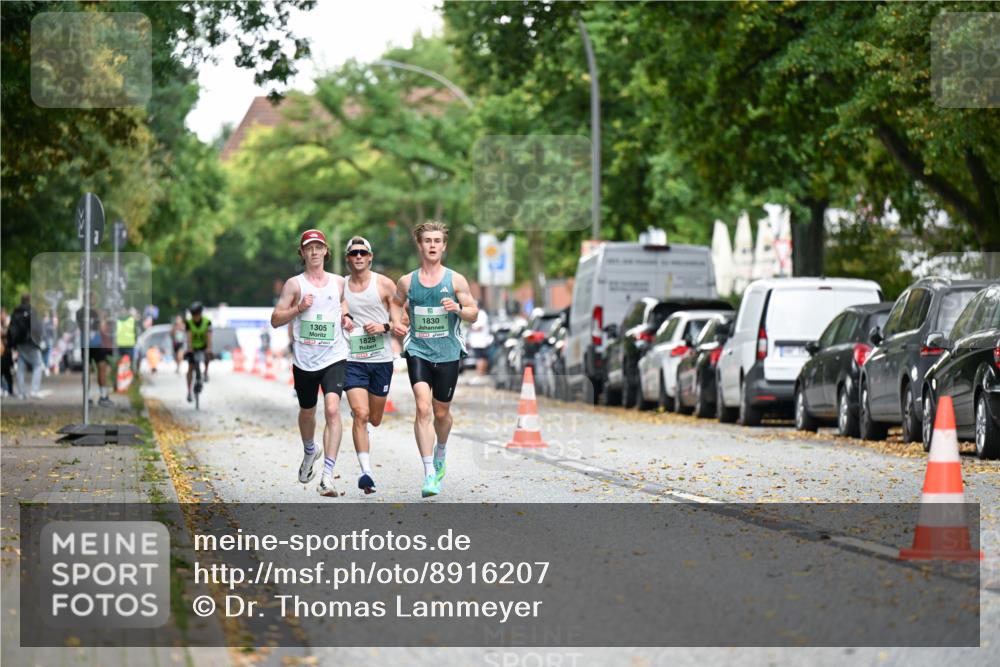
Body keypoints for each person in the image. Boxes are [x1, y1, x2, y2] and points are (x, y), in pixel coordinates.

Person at [390, 221, 479, 498]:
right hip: (418, 350)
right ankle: (429, 472)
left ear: (444, 246)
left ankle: (441, 450)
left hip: (449, 352)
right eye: (427, 240)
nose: (432, 245)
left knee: (441, 413)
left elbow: (474, 312)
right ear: (419, 244)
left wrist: (458, 308)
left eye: (437, 241)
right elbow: (395, 302)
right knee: (423, 408)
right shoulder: (407, 281)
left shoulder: (455, 280)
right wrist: (397, 323)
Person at [270, 229, 354, 497]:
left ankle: (327, 476)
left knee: (332, 410)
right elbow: (275, 319)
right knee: (308, 411)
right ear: (303, 253)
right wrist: (298, 309)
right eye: (309, 248)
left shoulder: (340, 282)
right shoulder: (294, 285)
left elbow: (345, 305)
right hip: (305, 360)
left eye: (319, 247)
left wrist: (347, 317)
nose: (315, 252)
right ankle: (310, 450)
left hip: (334, 356)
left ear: (326, 251)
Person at [342, 236, 397, 494]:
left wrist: (383, 326)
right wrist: (344, 317)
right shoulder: (339, 286)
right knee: (361, 415)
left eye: (363, 252)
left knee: (374, 419)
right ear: (348, 259)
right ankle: (367, 473)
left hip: (381, 361)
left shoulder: (385, 285)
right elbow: (334, 309)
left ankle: (362, 419)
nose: (359, 257)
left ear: (371, 257)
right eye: (354, 253)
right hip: (352, 360)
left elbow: (404, 322)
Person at [76, 293, 113, 406]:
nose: (95, 300)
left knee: (100, 368)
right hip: (89, 344)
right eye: (93, 298)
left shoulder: (85, 312)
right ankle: (90, 397)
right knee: (89, 370)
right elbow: (101, 327)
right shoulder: (83, 312)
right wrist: (101, 318)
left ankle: (102, 396)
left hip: (95, 344)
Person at [9, 294, 44, 399]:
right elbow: (37, 327)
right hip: (31, 343)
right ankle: (34, 390)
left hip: (19, 343)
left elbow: (11, 328)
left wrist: (12, 343)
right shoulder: (32, 311)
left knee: (21, 367)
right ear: (29, 300)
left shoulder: (16, 312)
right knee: (38, 365)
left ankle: (21, 392)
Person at [184, 302, 212, 402]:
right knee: (190, 368)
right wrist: (190, 348)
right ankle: (189, 391)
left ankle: (206, 372)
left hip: (203, 346)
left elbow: (209, 336)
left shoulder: (207, 322)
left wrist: (209, 348)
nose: (195, 317)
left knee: (208, 355)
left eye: (196, 314)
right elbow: (189, 336)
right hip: (193, 347)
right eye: (193, 315)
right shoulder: (189, 323)